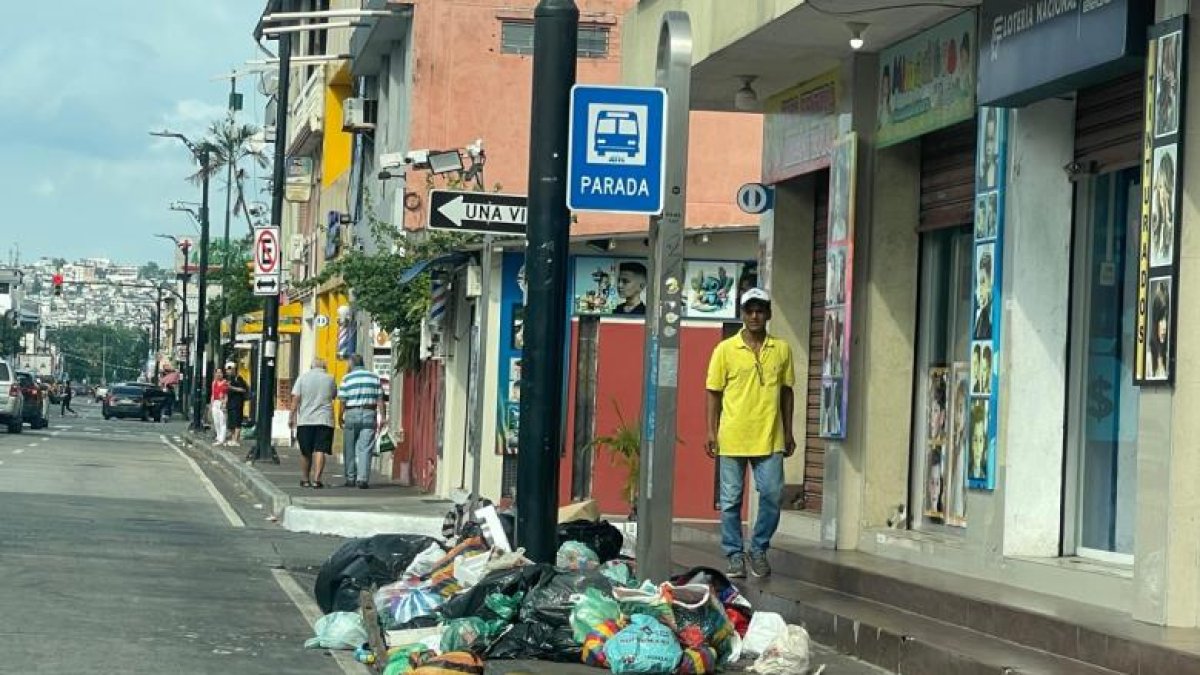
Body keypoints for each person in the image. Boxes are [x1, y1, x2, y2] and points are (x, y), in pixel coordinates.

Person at [706, 288, 796, 579]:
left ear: (768, 313)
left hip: (770, 437)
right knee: (730, 500)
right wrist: (711, 430)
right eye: (749, 310)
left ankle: (758, 549)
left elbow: (786, 392)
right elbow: (713, 393)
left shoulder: (781, 349)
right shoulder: (725, 350)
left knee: (772, 494)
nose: (754, 316)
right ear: (742, 314)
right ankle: (734, 554)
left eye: (760, 310)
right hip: (732, 436)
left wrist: (790, 430)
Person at [338, 354, 386, 489]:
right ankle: (362, 479)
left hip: (351, 413)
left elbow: (342, 400)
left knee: (349, 447)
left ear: (352, 363)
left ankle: (350, 478)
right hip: (369, 413)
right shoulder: (374, 377)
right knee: (366, 448)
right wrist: (383, 417)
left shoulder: (346, 378)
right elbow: (380, 399)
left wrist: (340, 416)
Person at [291, 358, 337, 489]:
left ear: (311, 367)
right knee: (320, 449)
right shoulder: (330, 378)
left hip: (306, 420)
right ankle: (317, 479)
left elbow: (296, 398)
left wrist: (291, 416)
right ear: (324, 367)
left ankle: (305, 479)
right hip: (324, 420)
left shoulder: (302, 378)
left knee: (306, 451)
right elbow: (334, 395)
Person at [224, 362, 250, 447]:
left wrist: (231, 387)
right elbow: (227, 392)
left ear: (234, 369)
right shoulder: (229, 380)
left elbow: (243, 390)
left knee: (237, 421)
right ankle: (232, 439)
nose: (228, 371)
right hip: (230, 403)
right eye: (227, 369)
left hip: (238, 403)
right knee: (231, 422)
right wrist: (225, 401)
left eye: (230, 369)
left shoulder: (239, 378)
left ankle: (236, 440)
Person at [210, 368, 229, 445]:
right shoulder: (214, 383)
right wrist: (211, 404)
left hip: (222, 402)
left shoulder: (225, 383)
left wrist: (224, 403)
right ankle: (218, 436)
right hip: (215, 402)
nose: (219, 374)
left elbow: (227, 395)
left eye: (220, 373)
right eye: (217, 373)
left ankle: (222, 439)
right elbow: (213, 394)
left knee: (222, 421)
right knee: (216, 421)